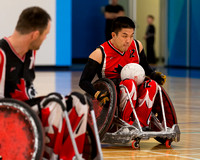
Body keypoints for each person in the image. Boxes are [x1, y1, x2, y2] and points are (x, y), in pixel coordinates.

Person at [0, 6, 93, 160]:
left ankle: (70, 156)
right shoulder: (2, 54)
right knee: (55, 104)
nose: (45, 39)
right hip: (7, 116)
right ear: (35, 34)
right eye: (45, 35)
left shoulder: (30, 52)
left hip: (26, 111)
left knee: (78, 101)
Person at [79, 16, 166, 130]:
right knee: (129, 84)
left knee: (152, 84)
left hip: (136, 89)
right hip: (113, 95)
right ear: (114, 35)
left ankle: (141, 123)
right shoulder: (99, 53)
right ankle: (126, 124)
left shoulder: (137, 46)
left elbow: (146, 68)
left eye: (131, 36)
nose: (128, 40)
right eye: (124, 36)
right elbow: (83, 82)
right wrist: (97, 94)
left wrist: (154, 75)